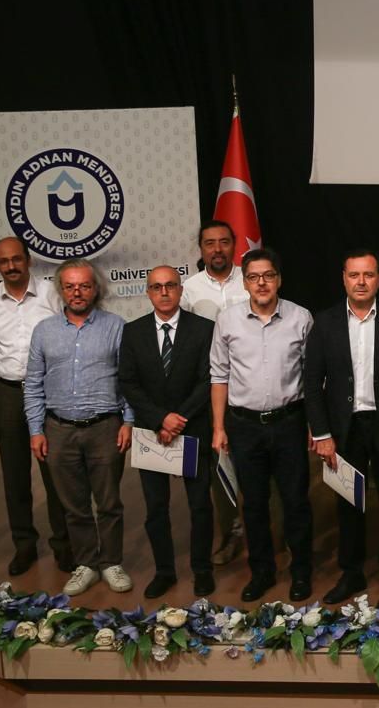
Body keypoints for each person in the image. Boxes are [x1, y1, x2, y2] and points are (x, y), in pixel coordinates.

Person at [306, 249, 379, 605]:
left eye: (368, 274)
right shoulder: (325, 323)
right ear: (344, 278)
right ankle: (351, 574)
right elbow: (312, 383)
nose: (361, 282)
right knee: (348, 506)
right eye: (354, 275)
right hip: (344, 431)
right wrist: (322, 434)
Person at [209, 247, 316, 603]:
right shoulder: (228, 320)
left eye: (268, 275)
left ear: (279, 279)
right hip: (244, 426)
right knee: (253, 504)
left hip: (289, 422)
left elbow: (312, 376)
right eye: (253, 277)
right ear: (244, 282)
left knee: (296, 502)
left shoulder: (300, 317)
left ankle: (301, 572)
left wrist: (314, 425)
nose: (261, 283)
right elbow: (219, 375)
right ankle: (262, 572)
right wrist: (219, 427)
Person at [25, 261, 135, 597]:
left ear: (95, 289)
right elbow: (33, 384)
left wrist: (128, 421)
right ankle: (86, 563)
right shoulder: (44, 331)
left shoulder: (116, 327)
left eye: (84, 286)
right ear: (61, 289)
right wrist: (36, 429)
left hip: (105, 427)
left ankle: (111, 562)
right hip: (58, 429)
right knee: (73, 505)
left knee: (109, 502)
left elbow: (129, 379)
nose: (77, 292)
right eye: (70, 286)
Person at [0, 236, 67, 576]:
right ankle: (24, 546)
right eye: (4, 261)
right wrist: (9, 366)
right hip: (8, 393)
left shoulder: (53, 294)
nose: (11, 266)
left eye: (16, 259)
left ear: (28, 260)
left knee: (55, 471)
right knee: (14, 474)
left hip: (50, 392)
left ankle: (64, 546)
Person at [117, 266, 216, 599]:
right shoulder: (132, 332)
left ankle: (202, 570)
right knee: (156, 509)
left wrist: (179, 419)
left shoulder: (204, 329)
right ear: (148, 292)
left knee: (200, 505)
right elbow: (128, 382)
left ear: (180, 290)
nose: (164, 292)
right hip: (152, 432)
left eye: (170, 285)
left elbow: (208, 379)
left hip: (193, 428)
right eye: (156, 287)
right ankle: (164, 572)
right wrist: (160, 419)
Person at [180, 220, 250, 568]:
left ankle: (270, 532)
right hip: (212, 391)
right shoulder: (189, 289)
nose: (217, 249)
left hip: (253, 386)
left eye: (224, 242)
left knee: (260, 465)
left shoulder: (251, 279)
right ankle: (231, 532)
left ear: (234, 245)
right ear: (201, 248)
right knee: (219, 465)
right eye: (210, 243)